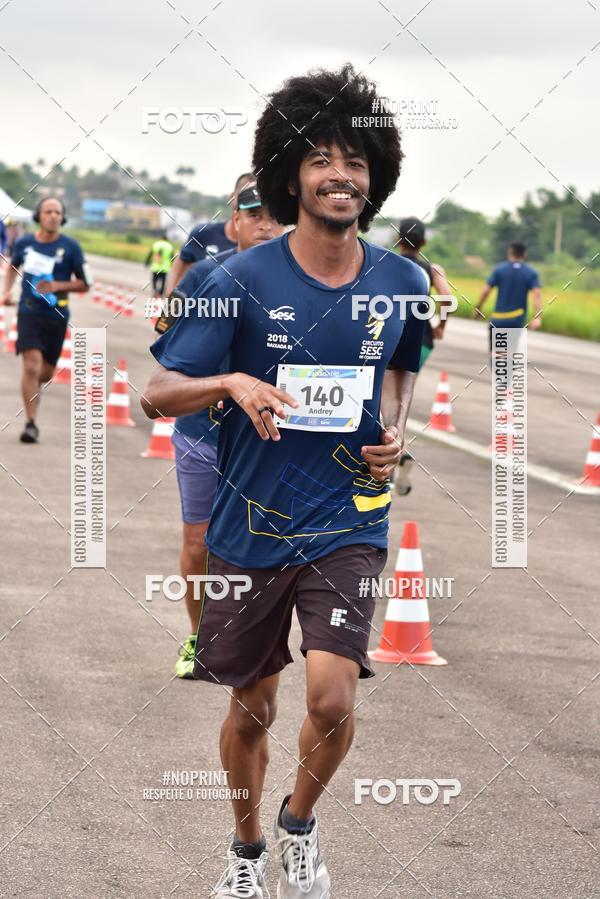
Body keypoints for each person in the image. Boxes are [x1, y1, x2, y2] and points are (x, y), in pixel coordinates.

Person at [143, 64, 427, 898]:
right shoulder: (232, 281)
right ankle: (244, 846)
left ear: (375, 178)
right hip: (250, 524)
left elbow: (401, 369)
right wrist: (231, 384)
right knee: (253, 705)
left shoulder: (403, 282)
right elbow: (157, 394)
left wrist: (396, 428)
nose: (341, 175)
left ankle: (299, 825)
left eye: (356, 162)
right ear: (288, 175)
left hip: (347, 518)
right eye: (321, 160)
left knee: (334, 696)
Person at [170, 182, 284, 679]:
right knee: (199, 543)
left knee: (259, 543)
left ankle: (253, 642)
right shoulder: (202, 278)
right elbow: (169, 368)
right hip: (203, 433)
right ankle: (200, 637)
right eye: (252, 214)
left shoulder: (301, 283)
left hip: (268, 440)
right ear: (232, 222)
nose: (264, 224)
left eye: (273, 215)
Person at [1, 197, 90, 444]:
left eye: (58, 212)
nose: (53, 216)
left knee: (45, 372)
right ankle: (31, 424)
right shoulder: (25, 243)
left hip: (57, 315)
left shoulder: (71, 247)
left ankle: (35, 386)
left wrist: (57, 285)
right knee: (30, 365)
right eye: (48, 211)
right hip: (28, 312)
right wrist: (7, 291)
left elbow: (86, 283)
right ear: (39, 215)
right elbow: (12, 267)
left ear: (63, 218)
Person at [393, 215, 454, 495]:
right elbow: (446, 296)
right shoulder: (431, 268)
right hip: (422, 340)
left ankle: (395, 455)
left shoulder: (388, 264)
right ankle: (398, 449)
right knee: (403, 399)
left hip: (391, 338)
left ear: (397, 240)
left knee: (383, 399)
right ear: (424, 242)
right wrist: (440, 325)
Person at [165, 172, 254, 294]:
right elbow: (181, 260)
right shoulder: (203, 233)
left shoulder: (260, 247)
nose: (249, 201)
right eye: (244, 195)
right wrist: (170, 292)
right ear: (232, 197)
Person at [473, 240, 542, 353]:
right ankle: (507, 368)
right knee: (510, 354)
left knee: (496, 353)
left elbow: (486, 290)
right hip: (517, 320)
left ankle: (498, 367)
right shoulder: (531, 273)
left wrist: (478, 308)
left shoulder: (499, 269)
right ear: (524, 254)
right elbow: (537, 294)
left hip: (498, 319)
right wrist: (537, 317)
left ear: (510, 252)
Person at [145, 233, 174, 298]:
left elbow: (150, 254)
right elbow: (172, 257)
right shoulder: (169, 246)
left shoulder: (156, 244)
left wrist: (146, 263)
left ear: (161, 238)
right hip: (165, 268)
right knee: (163, 281)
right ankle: (161, 293)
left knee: (154, 280)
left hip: (156, 267)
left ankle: (155, 290)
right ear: (167, 239)